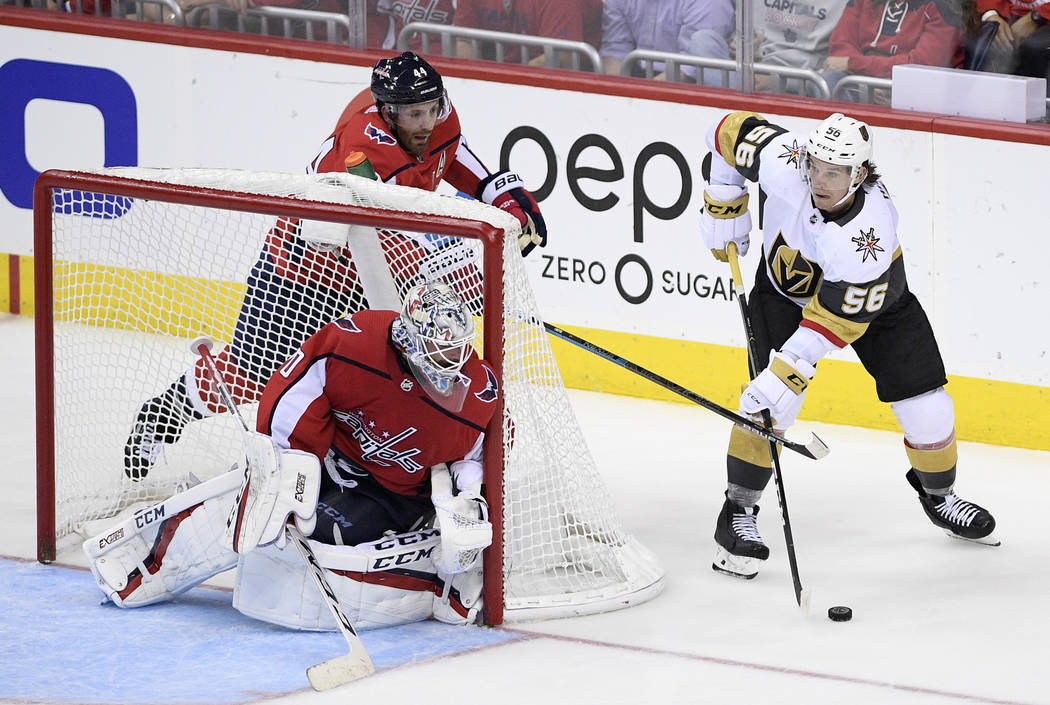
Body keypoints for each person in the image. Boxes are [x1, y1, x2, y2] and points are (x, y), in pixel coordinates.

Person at [122, 51, 545, 480]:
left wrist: (502, 195)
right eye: (413, 115)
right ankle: (163, 416)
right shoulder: (364, 149)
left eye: (431, 110)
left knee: (371, 378)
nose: (425, 124)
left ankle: (346, 468)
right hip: (303, 270)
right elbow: (394, 232)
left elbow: (451, 153)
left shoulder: (435, 116)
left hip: (367, 276)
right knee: (248, 371)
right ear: (388, 112)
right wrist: (461, 284)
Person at [85, 282, 498, 629]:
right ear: (408, 338)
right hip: (333, 460)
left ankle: (440, 582)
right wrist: (288, 468)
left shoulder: (478, 390)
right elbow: (293, 393)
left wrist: (464, 497)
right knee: (253, 506)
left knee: (323, 541)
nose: (449, 364)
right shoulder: (355, 344)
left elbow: (482, 453)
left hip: (395, 495)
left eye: (456, 351)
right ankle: (140, 568)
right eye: (439, 352)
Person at [698, 110, 998, 579]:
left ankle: (939, 496)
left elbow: (833, 322)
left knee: (928, 406)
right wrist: (724, 197)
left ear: (859, 174)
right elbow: (727, 132)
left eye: (833, 172)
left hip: (874, 305)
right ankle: (737, 513)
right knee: (768, 409)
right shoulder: (786, 158)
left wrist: (789, 369)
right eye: (815, 166)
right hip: (782, 294)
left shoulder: (868, 237)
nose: (817, 178)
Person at [690, 0, 848, 95]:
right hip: (751, 72)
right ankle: (730, 115)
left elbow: (834, 64)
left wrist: (775, 80)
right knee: (702, 40)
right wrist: (743, 49)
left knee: (829, 80)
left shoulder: (844, 4)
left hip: (801, 82)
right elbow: (741, 37)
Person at [823, 0, 965, 104]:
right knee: (830, 80)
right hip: (864, 83)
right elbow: (840, 47)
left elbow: (920, 65)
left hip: (916, 93)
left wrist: (853, 64)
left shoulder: (945, 7)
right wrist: (872, 83)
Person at [600, 0, 734, 81]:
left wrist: (642, 95)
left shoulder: (710, 3)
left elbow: (692, 68)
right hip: (640, 77)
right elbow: (615, 49)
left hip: (693, 87)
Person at [453, 0, 603, 69]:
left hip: (561, 88)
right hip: (500, 77)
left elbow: (563, 58)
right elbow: (463, 41)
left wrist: (502, 85)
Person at [976, 0, 1050, 85]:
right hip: (1003, 11)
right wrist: (990, 14)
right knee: (978, 45)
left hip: (1045, 19)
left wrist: (1039, 15)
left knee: (1035, 47)